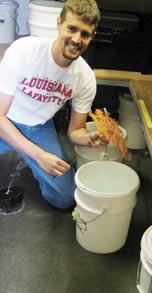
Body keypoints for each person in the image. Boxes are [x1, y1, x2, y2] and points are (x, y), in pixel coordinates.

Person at [0, 0, 104, 209]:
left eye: (84, 34)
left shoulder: (85, 78)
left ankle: (30, 158)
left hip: (39, 128)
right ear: (59, 23)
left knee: (65, 197)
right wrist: (38, 155)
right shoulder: (24, 50)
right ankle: (31, 157)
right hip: (6, 120)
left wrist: (89, 137)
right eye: (72, 29)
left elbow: (75, 130)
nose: (76, 39)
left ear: (91, 37)